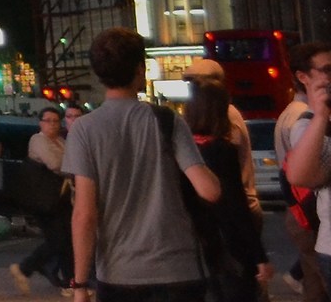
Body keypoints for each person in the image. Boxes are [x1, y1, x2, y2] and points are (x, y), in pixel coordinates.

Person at [65, 27, 221, 302]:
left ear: (99, 75)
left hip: (119, 274)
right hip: (178, 270)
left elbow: (84, 214)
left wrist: (79, 284)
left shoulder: (84, 130)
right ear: (140, 70)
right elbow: (209, 191)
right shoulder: (168, 120)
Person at [184, 81, 266, 302]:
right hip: (228, 244)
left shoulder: (182, 153)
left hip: (193, 247)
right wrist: (260, 256)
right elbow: (237, 205)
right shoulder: (222, 151)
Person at [276, 43, 331, 302]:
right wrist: (321, 116)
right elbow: (299, 175)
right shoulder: (307, 122)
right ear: (303, 77)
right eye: (327, 70)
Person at [8, 106, 72, 293]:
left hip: (60, 198)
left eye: (55, 121)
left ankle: (69, 282)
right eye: (48, 120)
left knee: (66, 240)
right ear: (40, 123)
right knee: (58, 240)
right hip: (45, 200)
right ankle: (24, 268)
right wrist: (70, 163)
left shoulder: (60, 141)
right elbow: (55, 164)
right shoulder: (38, 140)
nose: (52, 124)